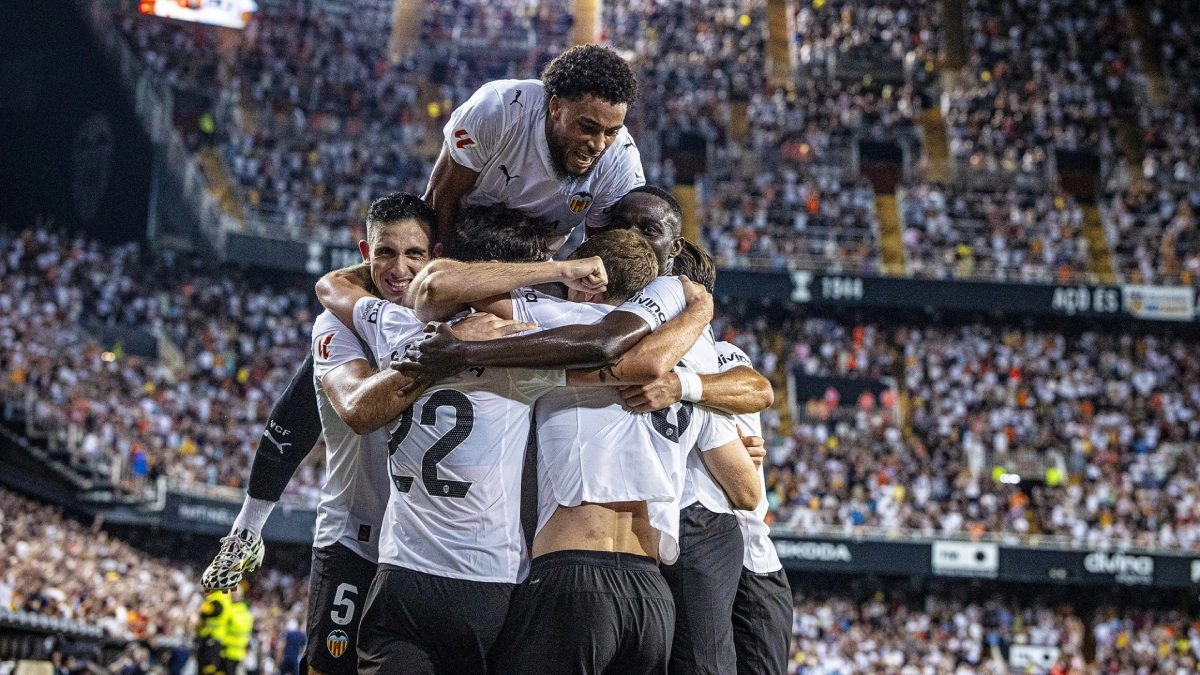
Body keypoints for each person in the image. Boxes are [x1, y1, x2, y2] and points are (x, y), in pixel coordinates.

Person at [424, 44, 645, 252]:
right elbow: (440, 197)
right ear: (556, 107)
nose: (598, 145)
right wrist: (443, 268)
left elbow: (601, 253)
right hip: (458, 243)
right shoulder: (498, 109)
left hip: (535, 267)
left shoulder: (621, 159)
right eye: (587, 127)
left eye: (611, 132)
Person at [715, 340, 793, 675]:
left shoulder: (719, 352)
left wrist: (681, 388)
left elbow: (757, 391)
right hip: (696, 561)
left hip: (750, 562)